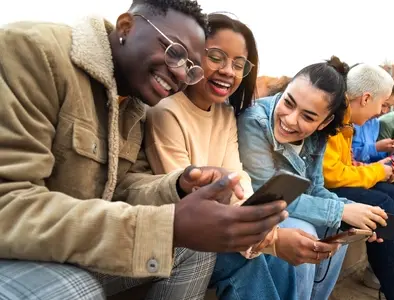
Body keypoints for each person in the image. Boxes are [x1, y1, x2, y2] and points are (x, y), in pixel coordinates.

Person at [0, 2, 287, 300]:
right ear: (126, 26)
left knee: (192, 251)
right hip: (16, 249)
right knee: (75, 289)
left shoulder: (134, 104)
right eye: (175, 52)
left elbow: (122, 185)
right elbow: (7, 203)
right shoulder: (36, 51)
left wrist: (178, 184)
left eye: (190, 67)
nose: (179, 74)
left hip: (67, 242)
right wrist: (167, 225)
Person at [143, 15, 382, 299]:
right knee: (283, 248)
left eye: (238, 64)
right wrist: (275, 240)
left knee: (330, 232)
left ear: (323, 122)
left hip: (235, 218)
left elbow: (239, 180)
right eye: (216, 57)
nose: (227, 71)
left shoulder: (224, 113)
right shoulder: (172, 113)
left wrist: (351, 213)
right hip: (189, 232)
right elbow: (193, 198)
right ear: (194, 53)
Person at [323, 63, 394, 300]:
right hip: (322, 191)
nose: (380, 112)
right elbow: (331, 176)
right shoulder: (336, 116)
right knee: (383, 205)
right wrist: (377, 170)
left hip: (335, 181)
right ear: (366, 98)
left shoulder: (348, 119)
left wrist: (376, 169)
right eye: (382, 104)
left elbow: (343, 165)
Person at [352, 82, 394, 164]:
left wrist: (390, 149)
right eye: (383, 105)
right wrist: (375, 148)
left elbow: (372, 158)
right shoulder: (350, 121)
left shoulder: (375, 123)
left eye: (389, 107)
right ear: (366, 98)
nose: (384, 111)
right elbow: (347, 158)